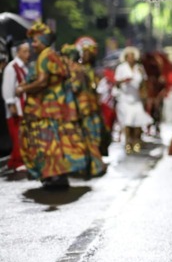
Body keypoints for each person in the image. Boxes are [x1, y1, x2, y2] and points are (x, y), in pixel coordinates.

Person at [15, 22, 89, 189]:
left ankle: (54, 176)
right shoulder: (53, 55)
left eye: (35, 41)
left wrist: (22, 88)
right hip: (57, 108)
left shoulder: (45, 56)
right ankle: (55, 175)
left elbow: (41, 82)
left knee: (46, 142)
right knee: (56, 140)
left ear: (42, 41)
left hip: (45, 109)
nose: (33, 45)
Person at [61, 43, 106, 177]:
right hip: (86, 108)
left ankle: (92, 166)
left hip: (81, 109)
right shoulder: (80, 69)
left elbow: (75, 88)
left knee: (84, 138)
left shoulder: (75, 70)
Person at [114, 46, 153, 154]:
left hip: (136, 99)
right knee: (127, 122)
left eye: (132, 56)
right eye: (129, 57)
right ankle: (127, 143)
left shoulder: (139, 68)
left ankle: (136, 143)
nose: (131, 59)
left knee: (138, 122)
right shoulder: (121, 68)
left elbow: (144, 83)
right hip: (125, 98)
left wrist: (145, 97)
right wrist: (123, 81)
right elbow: (116, 83)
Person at [2, 41, 30, 176]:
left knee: (22, 135)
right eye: (25, 51)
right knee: (17, 135)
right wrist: (11, 103)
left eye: (28, 51)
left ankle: (14, 161)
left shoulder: (24, 67)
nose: (28, 54)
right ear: (18, 52)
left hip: (23, 107)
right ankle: (18, 162)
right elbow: (7, 89)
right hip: (15, 108)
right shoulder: (11, 68)